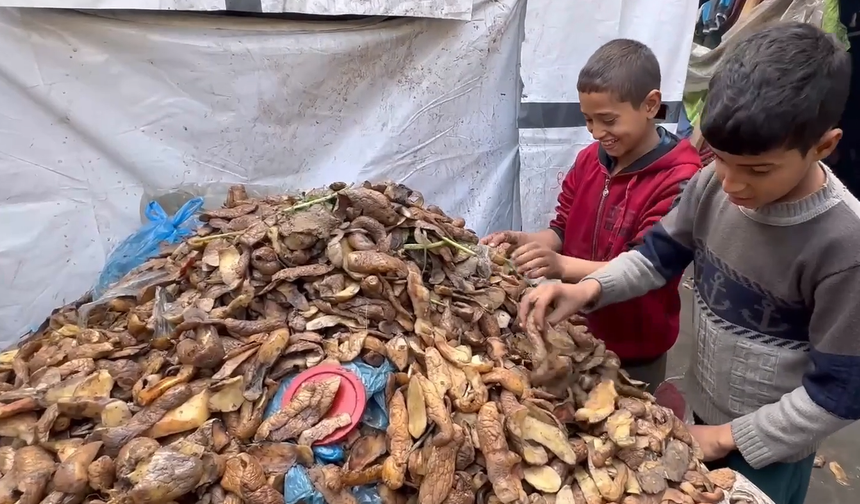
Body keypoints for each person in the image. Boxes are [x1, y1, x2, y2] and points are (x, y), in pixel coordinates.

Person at [518, 22, 857, 504]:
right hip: (704, 410)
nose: (733, 184)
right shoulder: (711, 187)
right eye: (719, 158)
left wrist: (724, 438)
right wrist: (586, 290)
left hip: (774, 443)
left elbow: (839, 392)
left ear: (823, 146)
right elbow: (655, 257)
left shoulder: (845, 247)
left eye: (758, 170)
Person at [483, 39, 700, 391]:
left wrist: (562, 266)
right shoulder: (589, 160)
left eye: (608, 120)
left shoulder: (680, 179)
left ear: (650, 104)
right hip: (575, 329)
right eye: (588, 120)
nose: (597, 132)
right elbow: (561, 229)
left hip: (635, 348)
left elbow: (647, 265)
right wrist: (524, 242)